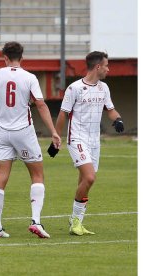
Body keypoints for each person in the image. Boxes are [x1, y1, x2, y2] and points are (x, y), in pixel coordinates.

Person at [0, 41, 61, 239]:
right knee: (37, 176)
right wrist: (54, 131)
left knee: (1, 178)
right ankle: (36, 222)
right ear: (21, 58)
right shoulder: (30, 77)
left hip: (2, 133)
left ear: (5, 58)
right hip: (23, 131)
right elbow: (40, 105)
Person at [54, 51, 124, 236]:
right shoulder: (74, 88)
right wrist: (56, 137)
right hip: (77, 138)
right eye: (107, 65)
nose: (109, 69)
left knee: (85, 181)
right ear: (98, 66)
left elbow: (110, 109)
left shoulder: (104, 88)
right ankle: (76, 220)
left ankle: (76, 221)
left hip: (95, 141)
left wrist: (117, 119)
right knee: (90, 177)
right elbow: (63, 113)